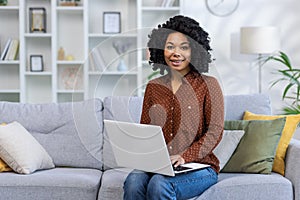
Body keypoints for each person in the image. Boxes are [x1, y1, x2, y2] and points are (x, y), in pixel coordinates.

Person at [123, 15, 224, 200]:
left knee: (160, 184)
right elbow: (146, 130)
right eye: (170, 46)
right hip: (160, 165)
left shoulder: (209, 85)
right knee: (133, 181)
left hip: (199, 166)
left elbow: (215, 131)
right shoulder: (154, 87)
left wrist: (185, 156)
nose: (175, 53)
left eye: (183, 47)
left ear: (194, 50)